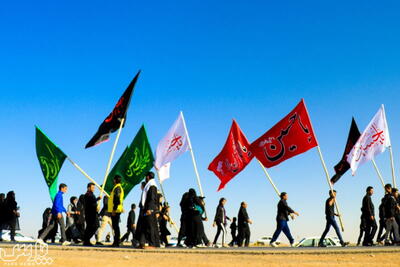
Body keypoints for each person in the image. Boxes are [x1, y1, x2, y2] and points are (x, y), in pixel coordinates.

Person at [139, 172, 160, 249]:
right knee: (144, 226)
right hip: (146, 208)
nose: (145, 178)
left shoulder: (152, 185)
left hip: (149, 209)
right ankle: (142, 243)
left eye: (146, 176)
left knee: (150, 226)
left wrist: (150, 209)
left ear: (148, 177)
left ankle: (153, 244)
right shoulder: (149, 185)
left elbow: (152, 198)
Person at [108, 176, 124, 247]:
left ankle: (116, 242)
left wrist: (114, 210)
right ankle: (117, 241)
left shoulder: (117, 188)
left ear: (115, 180)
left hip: (115, 210)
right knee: (115, 226)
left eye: (113, 179)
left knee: (115, 227)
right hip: (116, 209)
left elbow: (117, 199)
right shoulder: (118, 187)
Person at [134, 182, 146, 247]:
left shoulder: (145, 192)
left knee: (141, 226)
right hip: (142, 211)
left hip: (143, 212)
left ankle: (141, 242)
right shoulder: (143, 192)